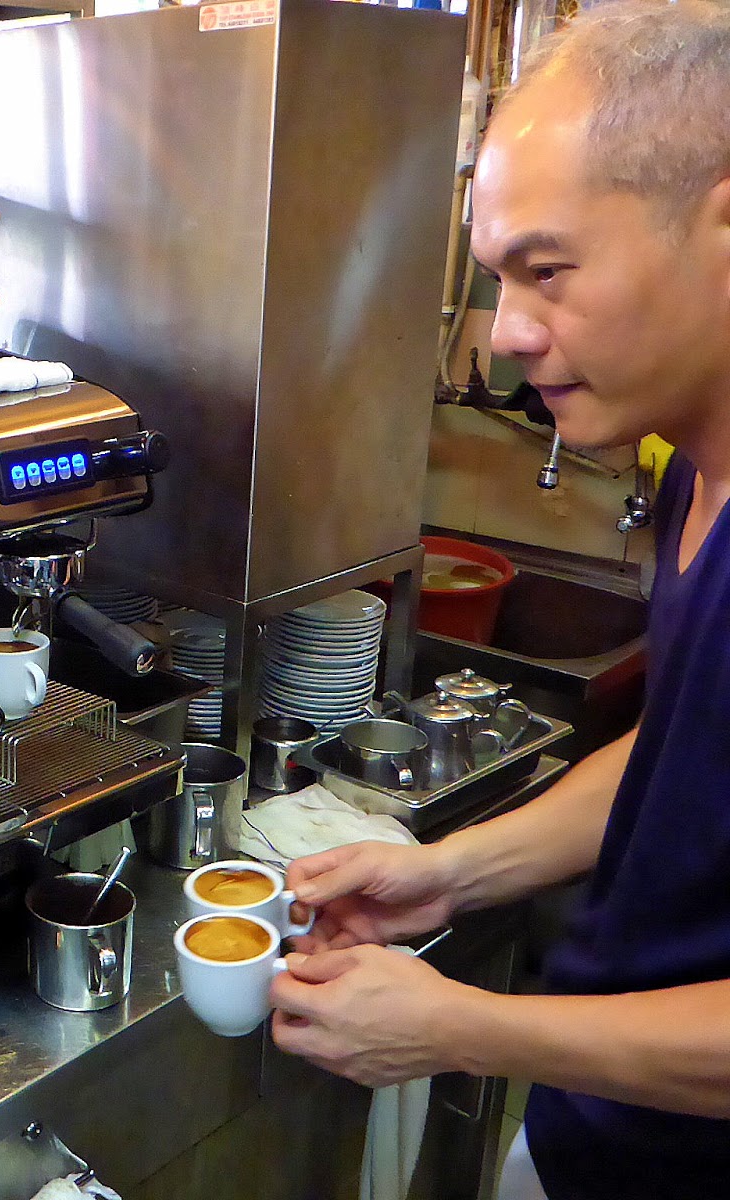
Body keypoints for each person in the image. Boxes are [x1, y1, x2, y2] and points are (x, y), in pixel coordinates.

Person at [267, 4, 730, 1197]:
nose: (512, 332)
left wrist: (464, 1027)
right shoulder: (695, 471)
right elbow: (682, 763)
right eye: (497, 279)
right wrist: (450, 872)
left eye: (548, 271)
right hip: (601, 1131)